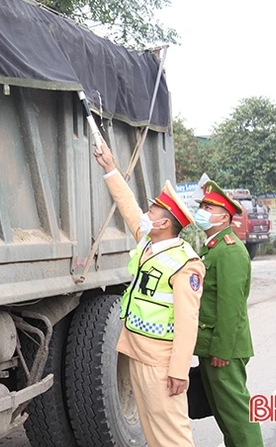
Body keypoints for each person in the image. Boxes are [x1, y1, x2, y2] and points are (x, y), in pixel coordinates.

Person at [94, 141, 204, 447]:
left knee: (173, 437)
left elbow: (187, 322)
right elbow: (128, 207)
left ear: (164, 222)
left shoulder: (185, 264)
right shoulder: (150, 244)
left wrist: (179, 371)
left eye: (153, 208)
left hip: (161, 364)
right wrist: (110, 168)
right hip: (137, 354)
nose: (146, 211)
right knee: (153, 435)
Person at [194, 180, 263, 447]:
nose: (201, 210)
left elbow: (231, 307)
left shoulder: (230, 251)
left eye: (207, 206)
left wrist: (221, 349)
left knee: (237, 415)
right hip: (212, 346)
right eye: (201, 205)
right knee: (224, 415)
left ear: (224, 216)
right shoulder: (213, 247)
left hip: (224, 349)